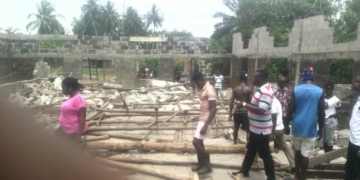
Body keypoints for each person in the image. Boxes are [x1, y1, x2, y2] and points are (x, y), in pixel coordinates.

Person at [232, 70, 275, 180]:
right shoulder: (261, 90)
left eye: (255, 77)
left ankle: (271, 177)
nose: (253, 79)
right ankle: (244, 171)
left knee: (265, 155)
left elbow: (261, 110)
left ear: (262, 78)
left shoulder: (266, 92)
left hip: (261, 130)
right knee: (250, 150)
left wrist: (244, 104)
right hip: (256, 128)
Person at [285, 67, 325, 180]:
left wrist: (286, 125)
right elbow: (322, 113)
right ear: (313, 79)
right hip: (310, 127)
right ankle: (303, 176)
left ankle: (297, 175)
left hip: (297, 126)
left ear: (303, 79)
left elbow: (290, 109)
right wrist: (321, 130)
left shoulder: (296, 90)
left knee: (297, 151)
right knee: (305, 154)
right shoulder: (320, 91)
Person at [190, 72, 217, 175]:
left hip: (206, 120)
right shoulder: (203, 88)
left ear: (201, 79)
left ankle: (206, 165)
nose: (197, 85)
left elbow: (214, 108)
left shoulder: (209, 89)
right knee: (200, 142)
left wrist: (206, 125)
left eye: (197, 83)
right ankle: (201, 164)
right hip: (202, 119)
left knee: (195, 142)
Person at [338, 78, 360, 180]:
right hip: (353, 139)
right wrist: (345, 112)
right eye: (356, 81)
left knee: (356, 169)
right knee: (350, 167)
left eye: (359, 82)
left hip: (358, 142)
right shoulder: (358, 99)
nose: (355, 83)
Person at [56, 77, 88, 144]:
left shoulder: (79, 99)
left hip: (74, 131)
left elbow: (83, 117)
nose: (62, 90)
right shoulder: (72, 97)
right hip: (66, 129)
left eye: (63, 88)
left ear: (70, 88)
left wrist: (78, 135)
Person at [271, 95, 295, 173]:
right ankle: (293, 165)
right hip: (280, 128)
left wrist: (271, 132)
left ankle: (255, 162)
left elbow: (273, 117)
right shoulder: (277, 101)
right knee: (285, 147)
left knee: (260, 144)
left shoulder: (273, 102)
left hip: (275, 129)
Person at [228, 72, 251, 144]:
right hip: (245, 111)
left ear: (239, 80)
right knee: (248, 130)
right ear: (246, 80)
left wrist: (230, 113)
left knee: (236, 128)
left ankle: (235, 143)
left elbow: (231, 102)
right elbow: (250, 102)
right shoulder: (248, 89)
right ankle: (248, 144)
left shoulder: (235, 89)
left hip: (237, 111)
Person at [273, 74, 290, 153]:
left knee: (282, 128)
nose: (283, 84)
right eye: (281, 83)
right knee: (276, 128)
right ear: (278, 82)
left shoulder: (286, 90)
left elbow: (288, 101)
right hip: (277, 112)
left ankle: (280, 144)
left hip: (284, 112)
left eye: (284, 83)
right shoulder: (275, 90)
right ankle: (276, 145)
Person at [323, 82, 341, 153]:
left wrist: (334, 116)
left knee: (329, 139)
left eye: (330, 89)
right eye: (327, 89)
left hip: (331, 120)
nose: (328, 91)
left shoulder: (336, 100)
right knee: (324, 139)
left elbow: (339, 111)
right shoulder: (323, 97)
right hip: (323, 119)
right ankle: (325, 155)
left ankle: (328, 158)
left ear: (332, 89)